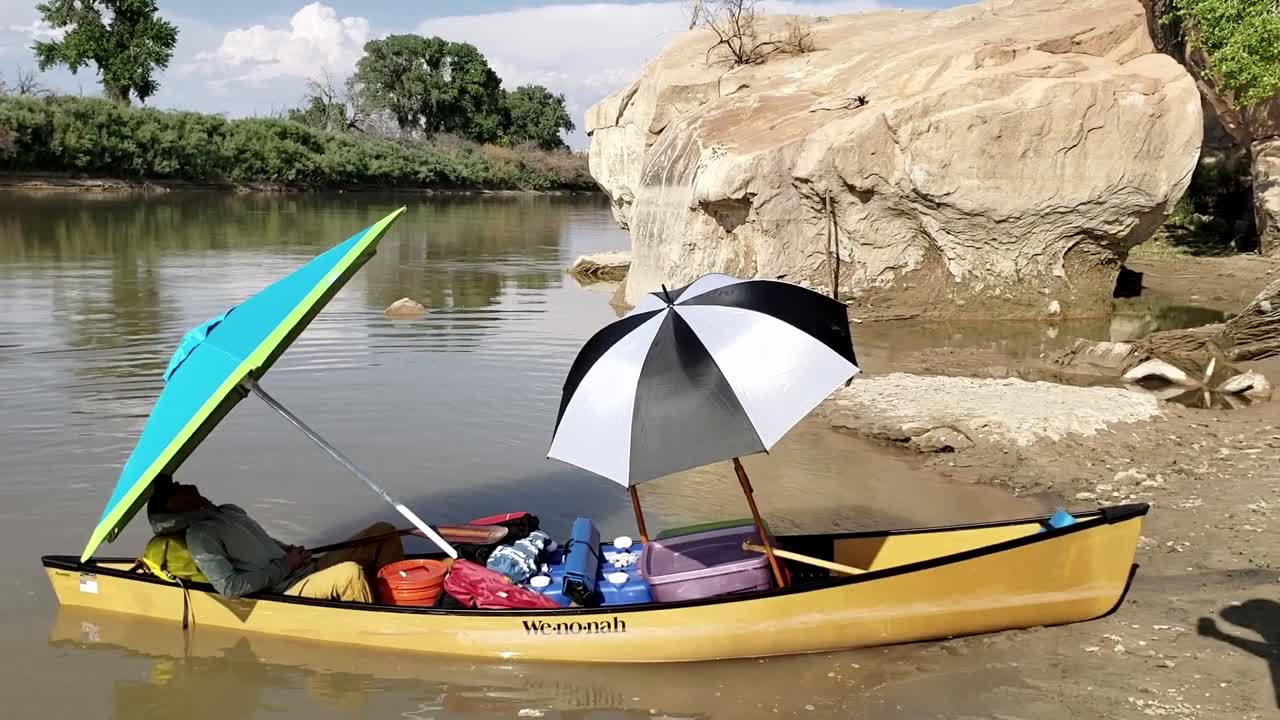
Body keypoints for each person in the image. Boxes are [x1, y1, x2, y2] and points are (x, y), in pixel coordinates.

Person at [145, 474, 404, 602]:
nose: (181, 485)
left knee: (383, 532)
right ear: (173, 508)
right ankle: (381, 622)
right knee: (349, 573)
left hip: (302, 569)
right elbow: (229, 588)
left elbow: (264, 542)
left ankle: (397, 599)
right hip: (284, 588)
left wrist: (290, 552)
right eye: (174, 490)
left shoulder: (227, 511)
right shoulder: (200, 536)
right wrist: (285, 565)